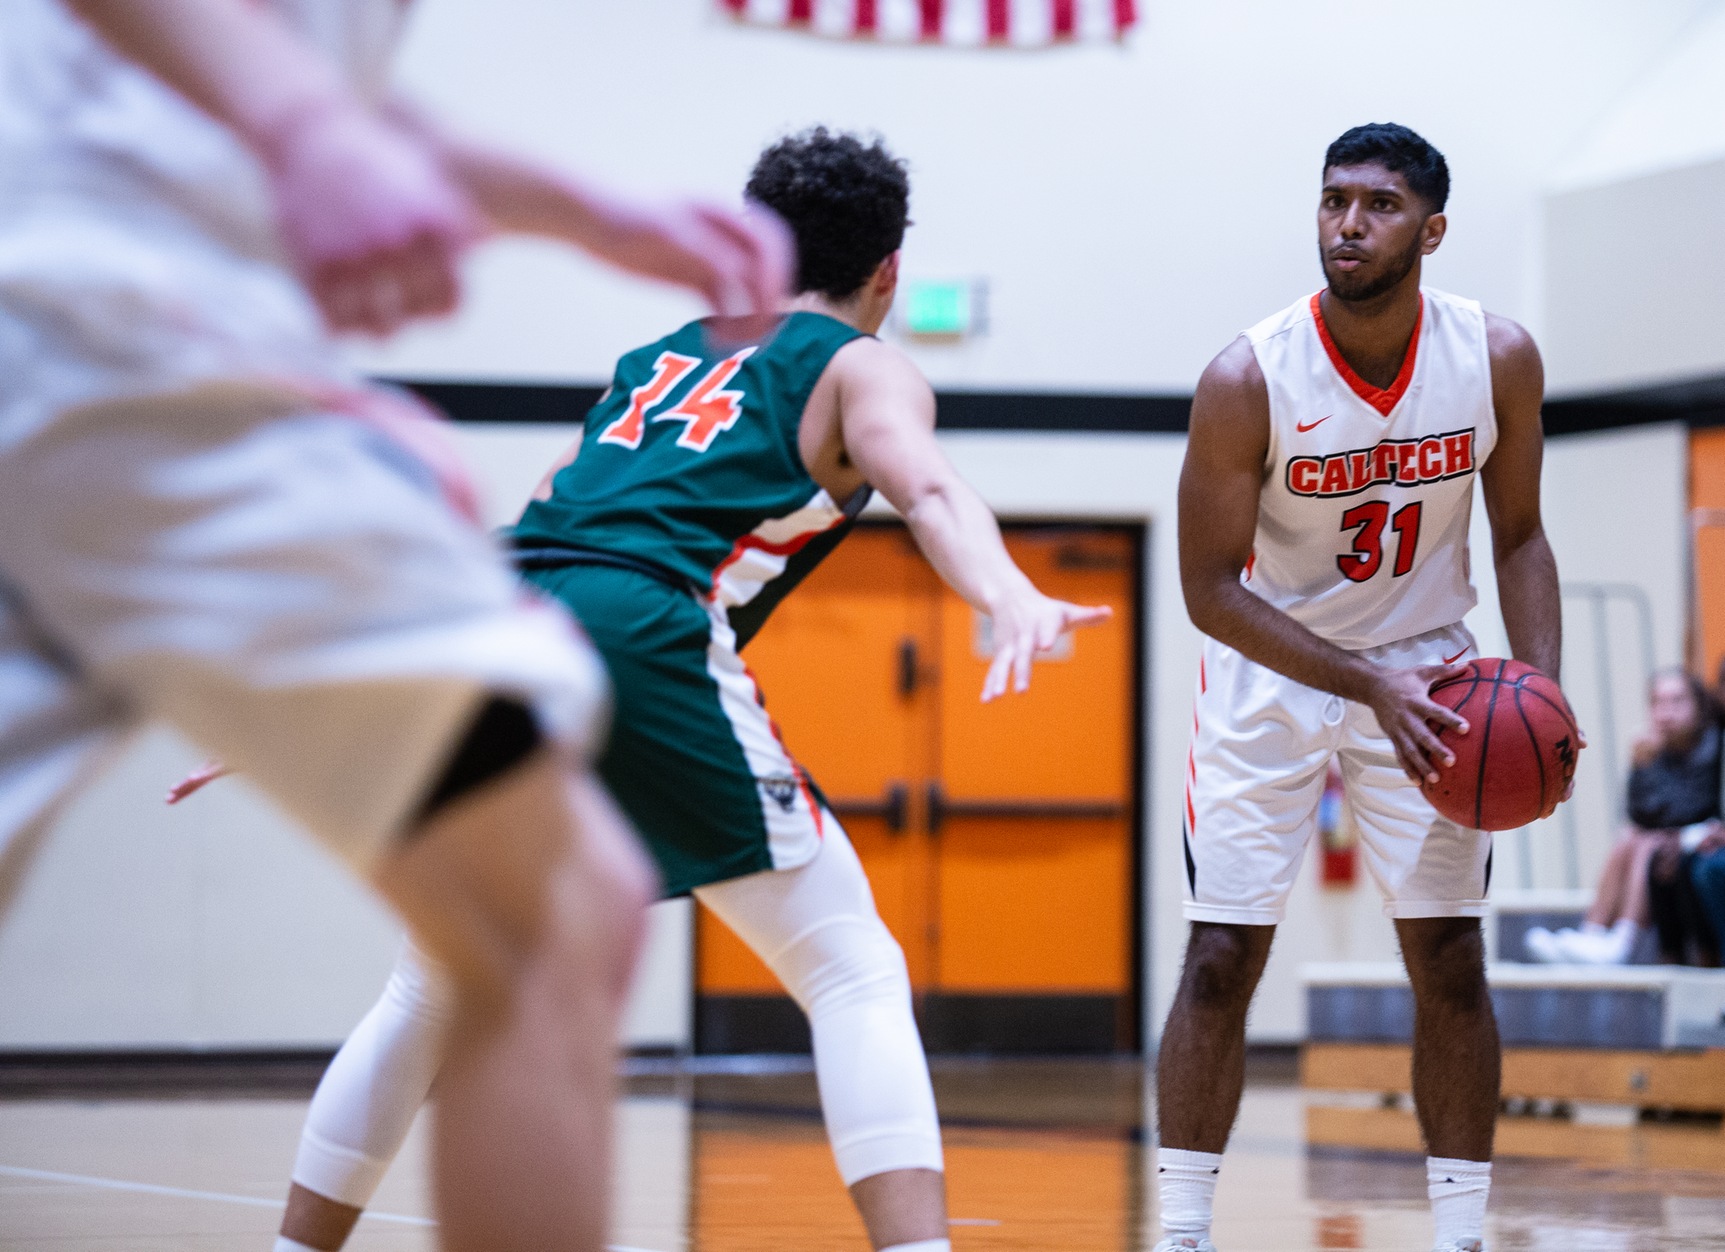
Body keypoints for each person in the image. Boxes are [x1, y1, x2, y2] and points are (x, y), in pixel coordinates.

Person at [0, 3, 793, 1251]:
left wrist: (593, 215)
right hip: (112, 333)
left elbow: (329, 86)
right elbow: (296, 96)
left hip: (117, 351)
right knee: (550, 910)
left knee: (554, 908)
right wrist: (305, 127)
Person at [266, 128, 1110, 1252]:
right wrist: (1007, 590)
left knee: (437, 980)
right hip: (641, 624)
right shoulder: (861, 365)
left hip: (509, 618)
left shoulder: (656, 358)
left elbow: (544, 521)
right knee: (852, 966)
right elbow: (932, 487)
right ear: (889, 272)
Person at [1160, 124, 1572, 1252]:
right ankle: (1183, 1228)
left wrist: (1540, 687)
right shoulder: (1249, 377)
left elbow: (1523, 534)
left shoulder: (1496, 357)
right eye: (1335, 201)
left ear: (1431, 229)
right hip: (1271, 669)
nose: (1349, 223)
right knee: (1219, 956)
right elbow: (1206, 588)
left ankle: (1461, 1233)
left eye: (1380, 204)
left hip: (1433, 675)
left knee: (1449, 954)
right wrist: (1363, 684)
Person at [1525, 668, 1719, 965]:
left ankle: (1622, 942)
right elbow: (1638, 812)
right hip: (1678, 833)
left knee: (1646, 842)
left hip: (1708, 831)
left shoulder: (1712, 743)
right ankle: (1592, 932)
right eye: (1658, 702)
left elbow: (1693, 806)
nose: (1666, 712)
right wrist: (1644, 766)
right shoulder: (1655, 750)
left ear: (1699, 706)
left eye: (1677, 701)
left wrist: (1651, 771)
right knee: (1629, 836)